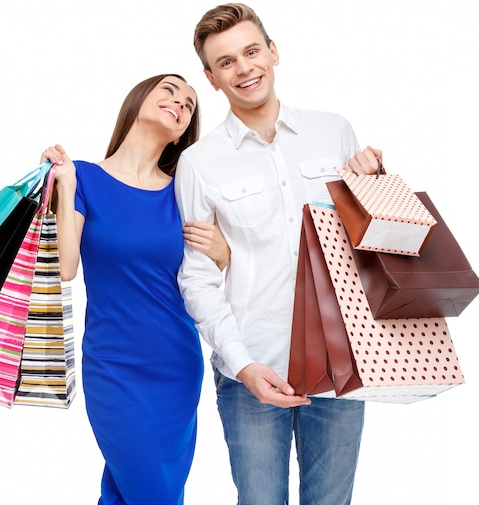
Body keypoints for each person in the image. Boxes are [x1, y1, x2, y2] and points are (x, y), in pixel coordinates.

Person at [174, 4, 382, 505]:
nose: (244, 68)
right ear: (211, 78)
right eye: (226, 62)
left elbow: (368, 249)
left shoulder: (333, 131)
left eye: (251, 51)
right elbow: (197, 280)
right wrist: (243, 366)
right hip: (251, 367)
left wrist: (374, 189)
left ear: (273, 52)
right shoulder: (199, 163)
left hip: (338, 366)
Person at [40, 73, 230, 505]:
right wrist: (65, 185)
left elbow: (224, 270)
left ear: (186, 129)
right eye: (169, 90)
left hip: (176, 368)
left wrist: (225, 251)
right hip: (114, 367)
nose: (180, 103)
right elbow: (65, 268)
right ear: (139, 98)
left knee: (128, 493)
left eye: (189, 104)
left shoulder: (187, 190)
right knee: (152, 494)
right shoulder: (84, 179)